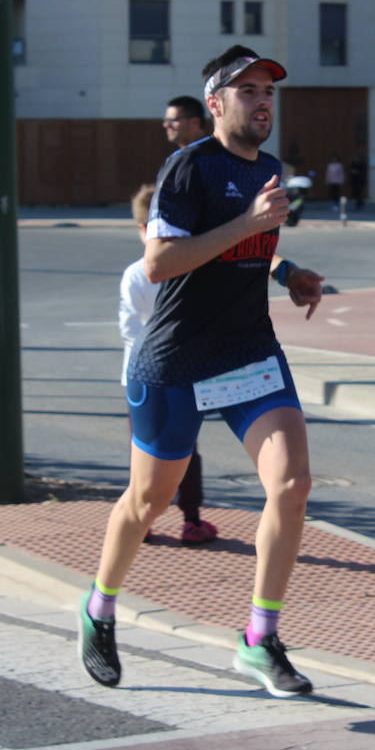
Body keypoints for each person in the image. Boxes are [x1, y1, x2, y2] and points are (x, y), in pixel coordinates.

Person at [79, 44, 325, 699]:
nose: (262, 101)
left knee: (293, 483)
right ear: (215, 104)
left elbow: (246, 247)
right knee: (148, 504)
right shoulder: (187, 168)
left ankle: (258, 638)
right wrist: (249, 222)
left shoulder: (268, 168)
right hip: (178, 361)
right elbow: (161, 263)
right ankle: (99, 609)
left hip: (248, 353)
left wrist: (287, 270)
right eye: (247, 91)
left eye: (268, 90)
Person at [120, 182, 218, 547]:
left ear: (143, 230)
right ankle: (191, 519)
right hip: (185, 371)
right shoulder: (190, 268)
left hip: (141, 375)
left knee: (144, 448)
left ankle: (143, 519)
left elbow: (130, 328)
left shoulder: (134, 274)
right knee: (185, 446)